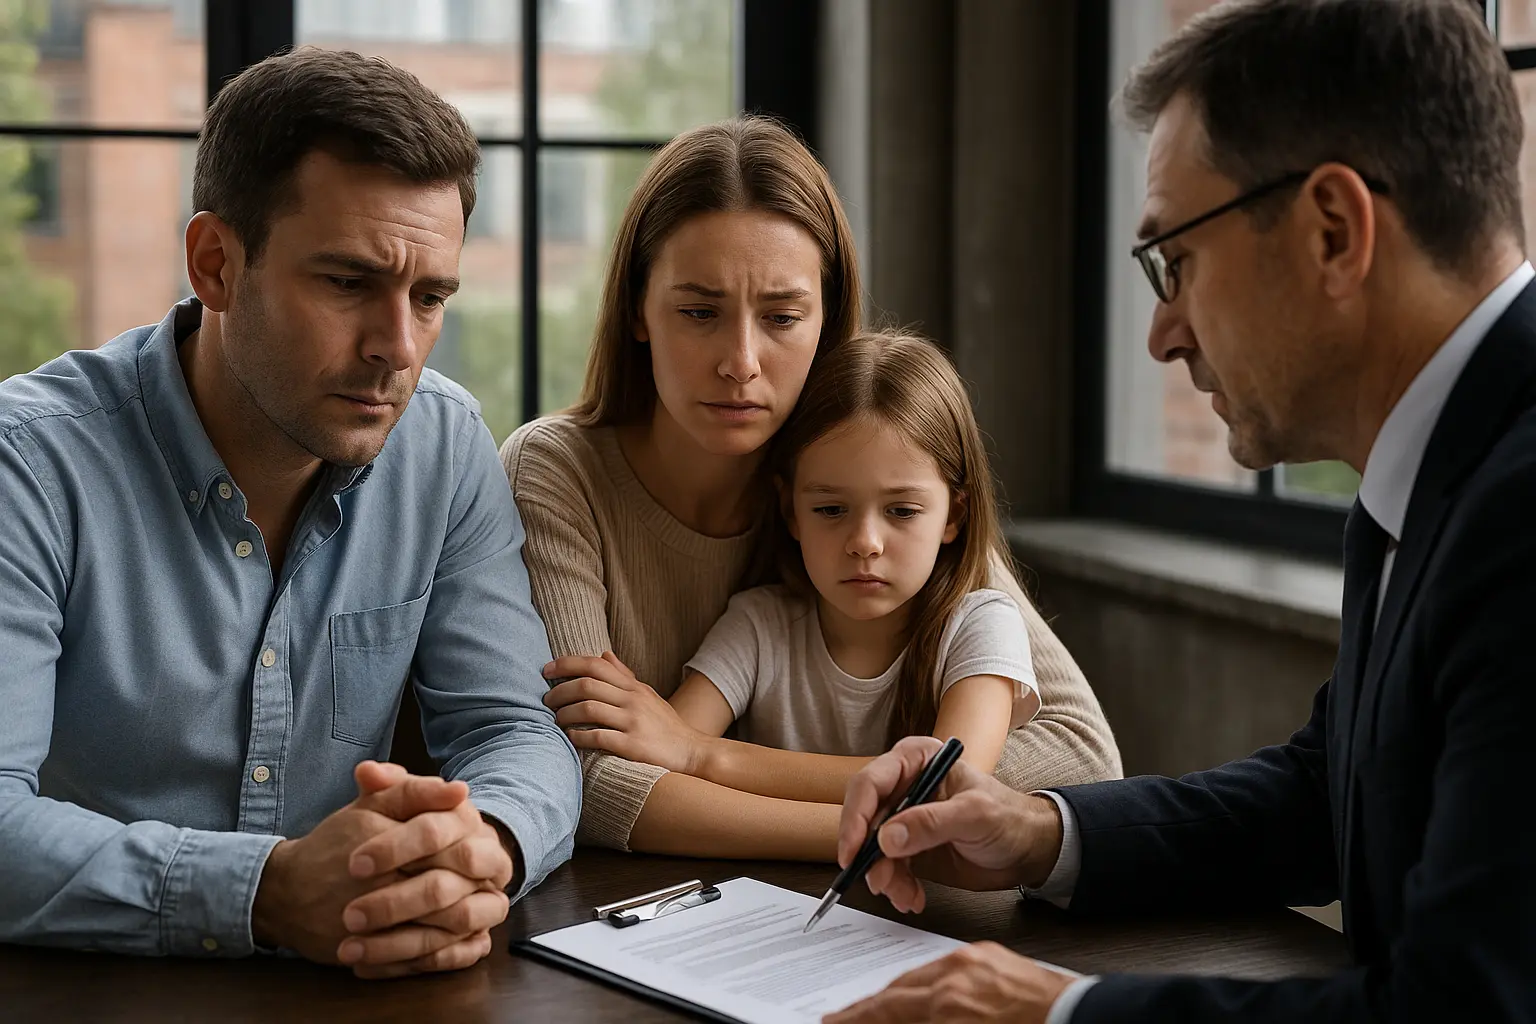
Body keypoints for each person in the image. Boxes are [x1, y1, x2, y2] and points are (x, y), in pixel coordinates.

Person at [826, 1, 1536, 1021]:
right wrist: (1039, 832)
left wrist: (1057, 1013)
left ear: (1333, 230)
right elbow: (1327, 793)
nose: (1162, 333)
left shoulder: (1519, 511)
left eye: (1177, 260)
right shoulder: (1435, 466)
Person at [0, 48, 581, 978]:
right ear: (216, 264)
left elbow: (513, 730)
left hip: (366, 982)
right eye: (348, 283)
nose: (399, 348)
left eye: (430, 298)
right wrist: (264, 890)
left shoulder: (443, 444)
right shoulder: (27, 463)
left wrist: (485, 849)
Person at [502, 116, 1121, 862]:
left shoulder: (872, 476)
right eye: (699, 312)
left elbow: (1082, 756)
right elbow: (584, 777)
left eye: (782, 317)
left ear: (827, 322)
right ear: (638, 307)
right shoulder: (557, 472)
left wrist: (716, 764)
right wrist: (879, 832)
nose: (741, 361)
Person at [552, 330, 1042, 799]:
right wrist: (679, 744)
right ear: (790, 512)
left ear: (953, 515)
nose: (865, 543)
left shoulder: (981, 624)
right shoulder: (759, 625)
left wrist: (703, 755)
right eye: (830, 510)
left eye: (902, 511)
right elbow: (660, 755)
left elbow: (948, 782)